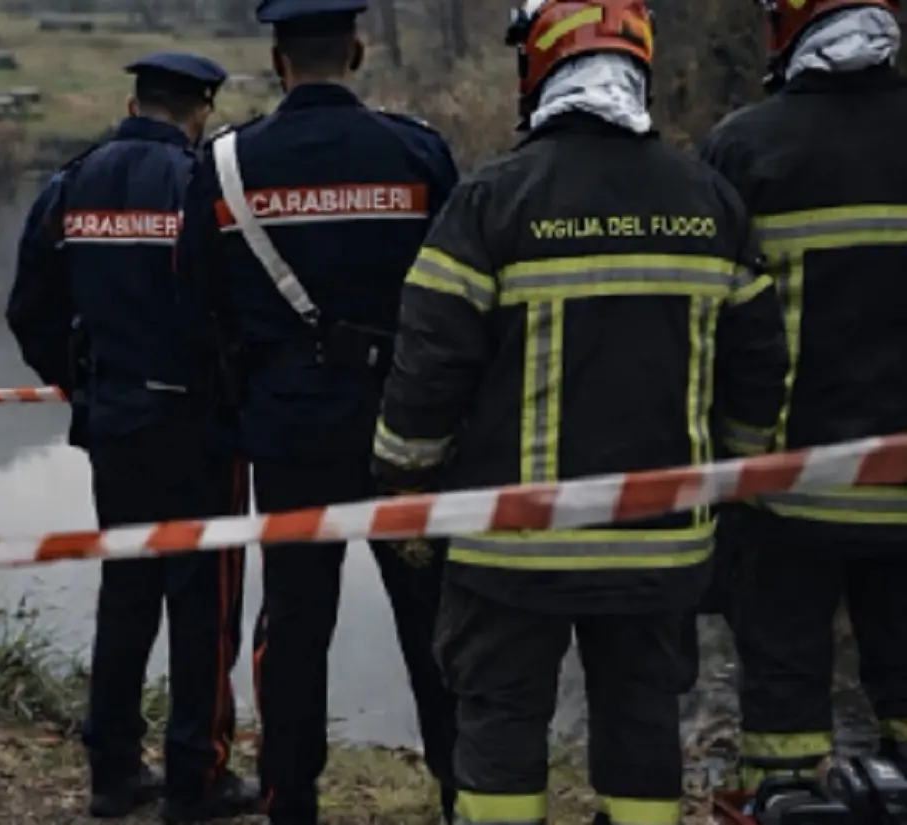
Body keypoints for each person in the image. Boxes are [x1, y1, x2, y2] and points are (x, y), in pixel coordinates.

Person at [370, 2, 791, 824]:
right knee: (642, 723)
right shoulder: (707, 199)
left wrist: (405, 483)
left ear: (538, 67)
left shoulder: (492, 199)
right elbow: (757, 366)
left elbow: (428, 366)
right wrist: (728, 478)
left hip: (510, 547)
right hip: (661, 543)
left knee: (500, 722)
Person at [174, 1, 461, 821]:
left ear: (277, 60)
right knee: (434, 621)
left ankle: (290, 800)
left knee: (295, 623)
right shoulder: (417, 153)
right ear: (357, 51)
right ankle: (466, 794)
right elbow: (460, 299)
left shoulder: (226, 163)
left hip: (289, 427)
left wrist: (244, 395)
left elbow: (192, 303)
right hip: (408, 428)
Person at [5, 51, 258, 823]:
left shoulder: (71, 184)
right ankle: (195, 776)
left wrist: (83, 382)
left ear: (131, 104)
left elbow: (29, 309)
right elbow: (238, 305)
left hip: (114, 423)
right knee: (203, 602)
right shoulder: (202, 184)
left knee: (127, 594)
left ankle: (112, 771)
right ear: (200, 111)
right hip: (199, 428)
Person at [698, 0, 907, 789]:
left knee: (783, 712)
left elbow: (714, 325)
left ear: (783, 28)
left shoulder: (743, 149)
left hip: (786, 492)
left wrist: (727, 457)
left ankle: (786, 799)